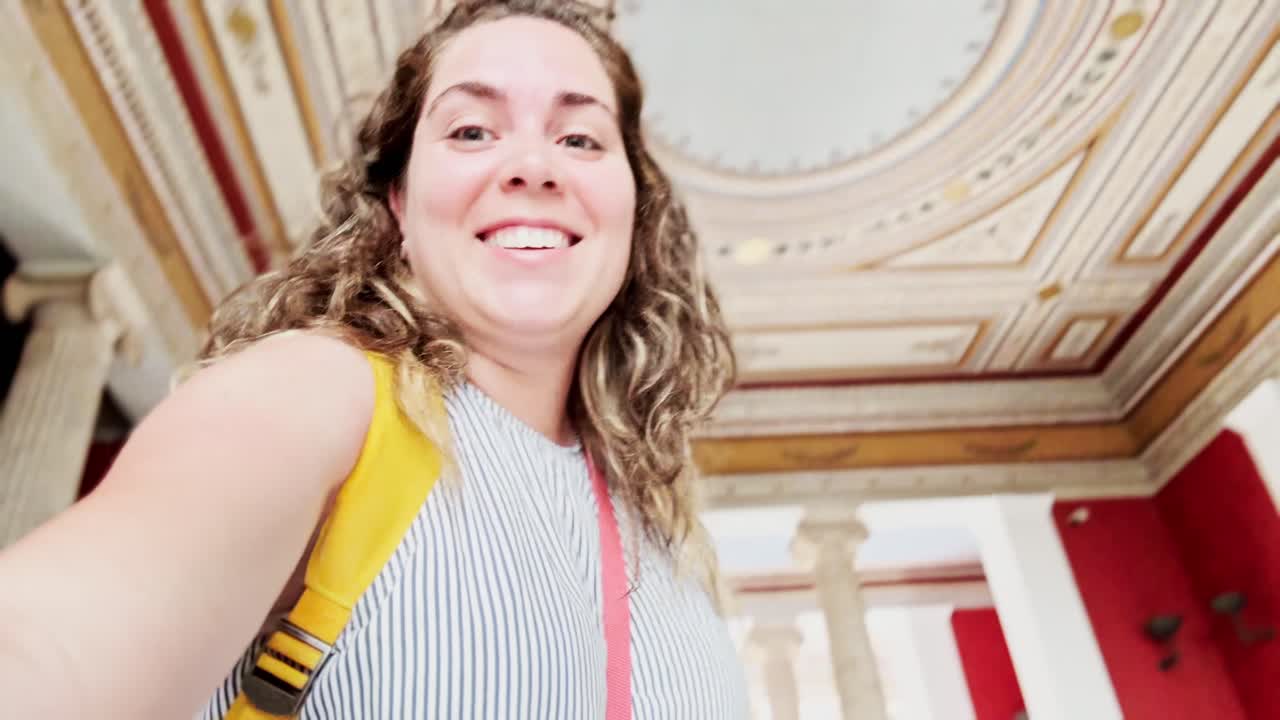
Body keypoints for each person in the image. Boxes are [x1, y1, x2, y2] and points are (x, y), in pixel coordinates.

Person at [0, 0, 750, 717]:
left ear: (632, 203)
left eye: (580, 138)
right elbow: (52, 643)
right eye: (470, 131)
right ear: (399, 200)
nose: (532, 164)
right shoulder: (321, 393)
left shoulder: (668, 535)